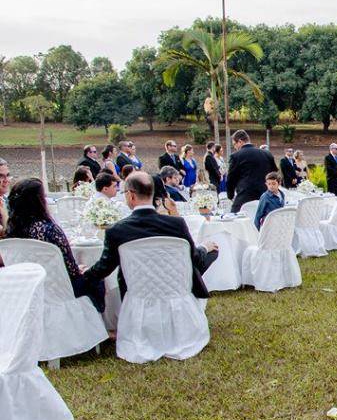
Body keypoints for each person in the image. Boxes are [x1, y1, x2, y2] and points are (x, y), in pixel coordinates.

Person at [83, 172, 218, 299]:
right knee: (212, 251)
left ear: (131, 195)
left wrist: (82, 276)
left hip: (136, 300)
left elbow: (104, 268)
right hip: (176, 295)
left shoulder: (117, 230)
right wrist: (204, 247)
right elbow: (194, 259)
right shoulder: (177, 224)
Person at [5, 178, 106, 311]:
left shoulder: (11, 231)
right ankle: (97, 322)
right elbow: (71, 271)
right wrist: (81, 270)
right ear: (39, 201)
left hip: (29, 289)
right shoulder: (50, 229)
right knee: (96, 279)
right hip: (59, 289)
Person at [226, 130, 278, 213]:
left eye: (234, 145)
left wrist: (230, 195)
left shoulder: (236, 156)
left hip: (245, 197)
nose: (235, 148)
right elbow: (274, 174)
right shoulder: (267, 154)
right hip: (266, 196)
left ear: (240, 141)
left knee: (234, 220)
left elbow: (231, 179)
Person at [0, 158, 9, 237]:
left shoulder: (5, 199)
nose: (6, 180)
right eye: (1, 176)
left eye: (7, 175)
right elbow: (6, 234)